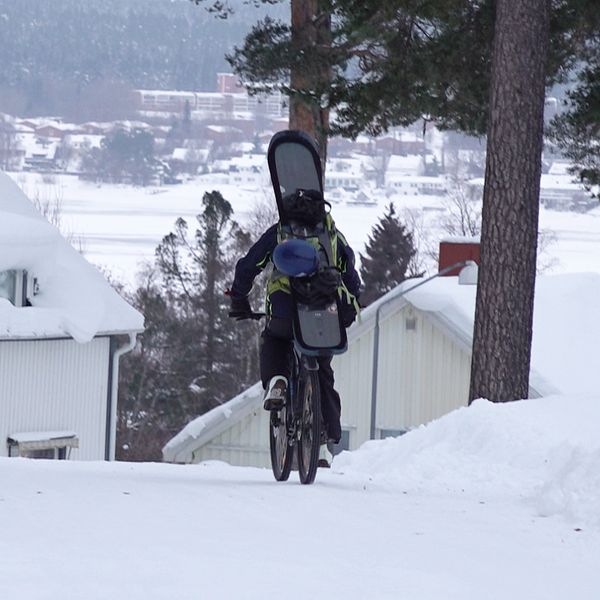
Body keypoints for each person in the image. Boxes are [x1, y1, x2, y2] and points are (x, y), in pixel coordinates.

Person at [228, 188, 361, 468]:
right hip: (324, 311)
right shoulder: (332, 235)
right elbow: (351, 277)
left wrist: (239, 297)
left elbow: (249, 265)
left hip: (284, 307)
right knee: (321, 365)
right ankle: (326, 427)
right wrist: (351, 305)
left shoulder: (279, 232)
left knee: (276, 339)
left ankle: (277, 381)